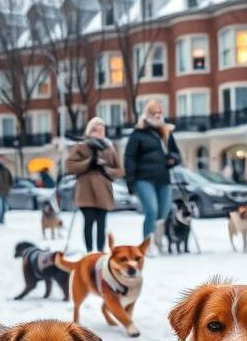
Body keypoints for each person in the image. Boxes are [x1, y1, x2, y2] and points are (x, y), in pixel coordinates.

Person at [124, 100, 181, 249]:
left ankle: (158, 240)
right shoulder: (138, 134)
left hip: (163, 178)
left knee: (163, 212)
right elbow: (129, 158)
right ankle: (147, 245)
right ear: (147, 115)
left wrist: (173, 159)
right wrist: (130, 181)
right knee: (152, 210)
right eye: (153, 113)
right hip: (143, 179)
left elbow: (176, 154)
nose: (157, 116)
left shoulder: (166, 133)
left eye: (159, 113)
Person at [65, 117, 123, 252]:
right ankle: (89, 251)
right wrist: (89, 162)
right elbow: (69, 166)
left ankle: (100, 251)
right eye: (95, 130)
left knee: (102, 223)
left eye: (101, 130)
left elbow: (120, 171)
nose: (99, 133)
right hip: (86, 190)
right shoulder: (81, 146)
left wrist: (106, 169)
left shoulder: (109, 148)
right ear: (89, 131)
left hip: (103, 190)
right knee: (89, 221)